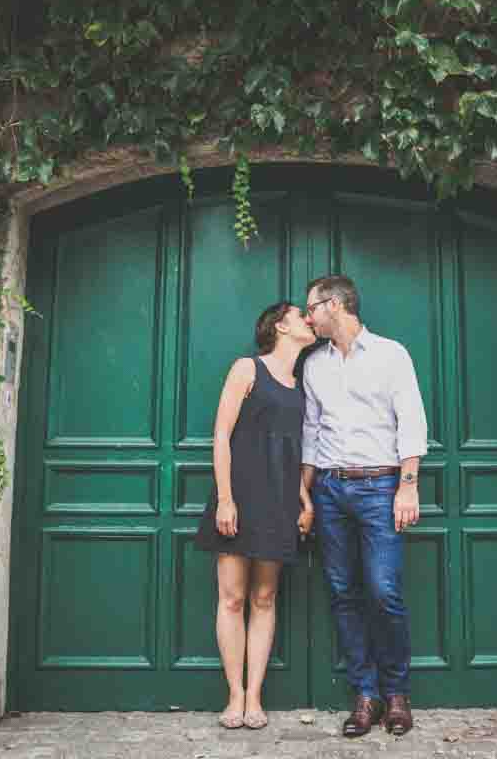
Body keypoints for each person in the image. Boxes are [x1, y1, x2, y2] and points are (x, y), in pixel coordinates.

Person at [300, 275, 427, 737]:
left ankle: (397, 695)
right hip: (329, 490)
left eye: (312, 308)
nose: (308, 318)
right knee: (342, 592)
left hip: (380, 487)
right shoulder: (315, 365)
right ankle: (366, 696)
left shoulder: (391, 355)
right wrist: (303, 494)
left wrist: (407, 486)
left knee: (384, 590)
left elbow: (411, 421)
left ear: (334, 305)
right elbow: (311, 433)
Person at [193, 302, 317, 730]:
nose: (309, 320)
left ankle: (254, 697)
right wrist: (225, 499)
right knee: (231, 598)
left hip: (280, 500)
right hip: (240, 495)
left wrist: (304, 500)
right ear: (280, 325)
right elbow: (221, 435)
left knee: (264, 598)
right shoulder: (247, 368)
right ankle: (234, 695)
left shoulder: (300, 384)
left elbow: (293, 448)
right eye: (301, 315)